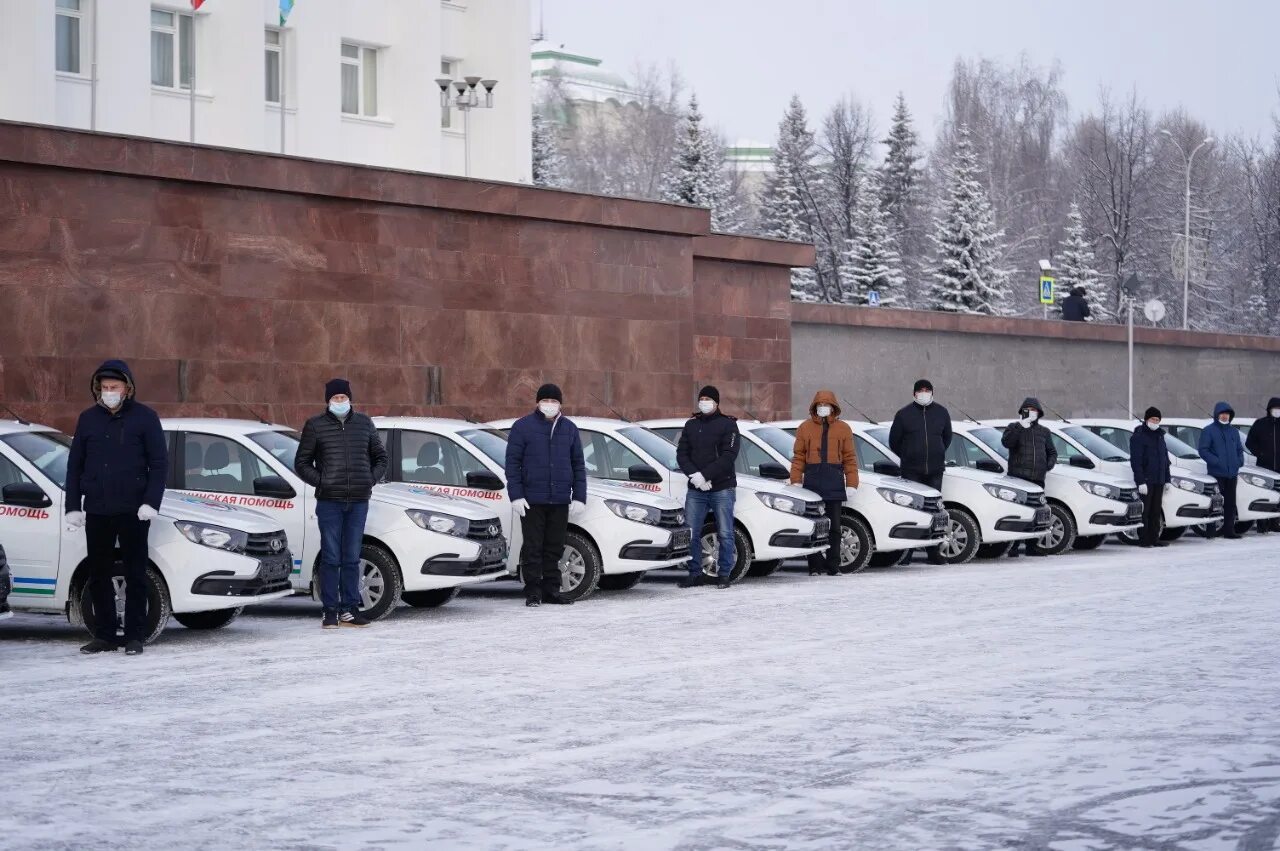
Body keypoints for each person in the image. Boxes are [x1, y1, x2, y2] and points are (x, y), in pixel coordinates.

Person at [66, 360, 167, 655]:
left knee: (136, 572)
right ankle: (105, 634)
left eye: (114, 387)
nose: (109, 392)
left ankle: (135, 635)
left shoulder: (145, 418)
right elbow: (75, 466)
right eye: (105, 387)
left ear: (127, 388)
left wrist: (151, 502)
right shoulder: (88, 419)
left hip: (134, 509)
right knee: (99, 573)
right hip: (97, 508)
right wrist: (73, 506)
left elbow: (159, 464)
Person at [295, 378, 388, 628]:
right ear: (328, 400)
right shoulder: (315, 426)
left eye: (343, 397)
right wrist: (322, 481)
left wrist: (370, 479)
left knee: (352, 558)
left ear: (350, 398)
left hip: (358, 501)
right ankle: (330, 611)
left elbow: (381, 458)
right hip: (329, 502)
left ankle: (349, 609)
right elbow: (301, 464)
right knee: (331, 557)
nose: (339, 401)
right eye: (335, 398)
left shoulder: (365, 424)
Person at [505, 383, 587, 607]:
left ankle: (552, 590)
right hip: (532, 500)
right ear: (538, 403)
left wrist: (579, 496)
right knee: (533, 548)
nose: (549, 405)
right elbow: (513, 464)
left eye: (554, 401)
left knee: (554, 547)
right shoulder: (522, 427)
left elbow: (578, 465)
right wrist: (516, 496)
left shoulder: (569, 428)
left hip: (559, 499)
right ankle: (533, 591)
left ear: (560, 404)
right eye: (546, 400)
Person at [676, 386, 741, 589]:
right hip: (696, 489)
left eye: (708, 399)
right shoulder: (691, 425)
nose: (704, 402)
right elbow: (682, 454)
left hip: (722, 487)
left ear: (716, 402)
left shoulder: (728, 426)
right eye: (701, 398)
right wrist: (695, 476)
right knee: (691, 533)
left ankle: (724, 574)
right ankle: (695, 573)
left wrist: (706, 475)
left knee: (725, 533)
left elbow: (728, 456)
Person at [789, 390, 858, 576]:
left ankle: (833, 565)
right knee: (814, 526)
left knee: (835, 527)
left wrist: (852, 483)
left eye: (826, 405)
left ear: (833, 407)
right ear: (814, 407)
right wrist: (795, 480)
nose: (822, 408)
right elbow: (799, 457)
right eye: (819, 405)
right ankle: (815, 566)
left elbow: (850, 459)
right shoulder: (805, 427)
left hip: (834, 482)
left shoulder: (843, 428)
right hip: (812, 484)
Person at [888, 379, 951, 565]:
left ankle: (933, 552)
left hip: (934, 471)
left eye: (927, 390)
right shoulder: (904, 414)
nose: (924, 393)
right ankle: (907, 553)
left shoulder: (941, 413)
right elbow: (894, 442)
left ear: (932, 392)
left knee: (934, 513)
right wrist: (909, 455)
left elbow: (947, 438)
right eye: (920, 390)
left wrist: (936, 453)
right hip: (911, 472)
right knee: (911, 512)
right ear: (914, 393)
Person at [1000, 397, 1057, 557]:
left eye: (1034, 410)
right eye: (1028, 409)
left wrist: (1047, 465)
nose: (1031, 412)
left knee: (1038, 513)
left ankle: (1033, 546)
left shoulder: (1044, 432)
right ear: (1022, 411)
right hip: (1018, 479)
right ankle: (1014, 547)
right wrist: (1020, 427)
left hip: (1037, 479)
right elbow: (1007, 443)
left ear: (1039, 413)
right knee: (1019, 513)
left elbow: (1052, 452)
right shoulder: (1014, 427)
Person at [1198, 401, 1245, 539]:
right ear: (1217, 415)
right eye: (1222, 414)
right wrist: (1216, 462)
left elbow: (1239, 450)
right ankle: (1211, 530)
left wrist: (1239, 461)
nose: (1225, 416)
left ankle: (1229, 531)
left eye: (1227, 414)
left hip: (1232, 473)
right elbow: (1203, 450)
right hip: (1216, 473)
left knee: (1230, 503)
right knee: (1215, 502)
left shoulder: (1234, 431)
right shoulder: (1209, 430)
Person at [1129, 407, 1172, 548]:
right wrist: (1140, 481)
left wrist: (1167, 479)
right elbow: (1136, 461)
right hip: (1146, 480)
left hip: (1159, 479)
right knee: (1145, 510)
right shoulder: (1139, 437)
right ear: (1147, 419)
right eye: (1153, 419)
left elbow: (1165, 460)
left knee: (1156, 510)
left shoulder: (1160, 436)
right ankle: (1144, 538)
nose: (1155, 421)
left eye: (1157, 420)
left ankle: (1154, 538)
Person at [1245, 398, 1280, 532]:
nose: (1277, 411)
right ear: (1269, 409)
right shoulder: (1260, 424)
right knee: (1264, 495)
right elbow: (1249, 442)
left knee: (1278, 496)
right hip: (1264, 467)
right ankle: (1262, 523)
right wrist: (1260, 453)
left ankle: (1275, 522)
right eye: (1275, 408)